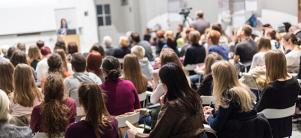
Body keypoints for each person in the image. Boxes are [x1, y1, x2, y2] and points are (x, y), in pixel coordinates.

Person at [128, 63, 206, 138]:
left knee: (130, 132)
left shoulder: (172, 106)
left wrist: (135, 134)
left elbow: (157, 135)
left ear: (165, 84)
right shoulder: (194, 96)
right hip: (200, 135)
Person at [204, 61, 272, 138]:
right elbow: (233, 113)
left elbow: (216, 125)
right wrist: (213, 111)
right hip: (250, 133)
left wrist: (208, 117)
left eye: (213, 76)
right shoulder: (244, 90)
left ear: (218, 79)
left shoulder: (227, 95)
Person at [256, 50, 300, 138]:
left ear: (270, 66)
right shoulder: (295, 82)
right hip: (285, 126)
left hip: (268, 128)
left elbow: (257, 110)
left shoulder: (270, 89)